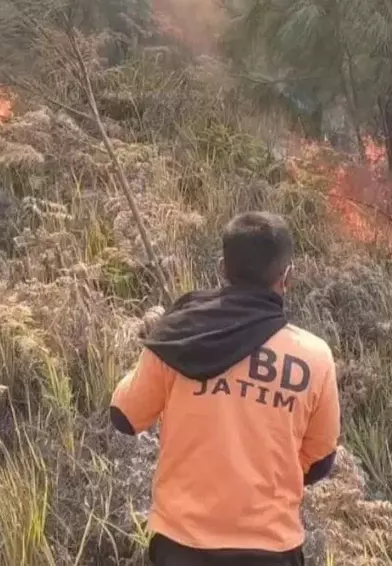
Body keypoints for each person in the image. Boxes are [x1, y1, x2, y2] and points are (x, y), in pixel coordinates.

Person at [109, 211, 341, 566]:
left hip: (181, 547)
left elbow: (124, 417)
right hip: (271, 550)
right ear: (287, 276)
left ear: (222, 268)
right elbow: (320, 464)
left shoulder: (179, 339)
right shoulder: (315, 357)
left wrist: (161, 339)